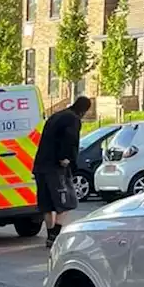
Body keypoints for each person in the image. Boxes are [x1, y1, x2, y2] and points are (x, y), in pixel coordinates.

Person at [34, 96, 91, 248]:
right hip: (56, 167)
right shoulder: (73, 119)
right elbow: (70, 139)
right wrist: (66, 158)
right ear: (84, 110)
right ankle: (55, 235)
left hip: (41, 165)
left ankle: (50, 235)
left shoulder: (56, 116)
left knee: (47, 203)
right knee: (65, 201)